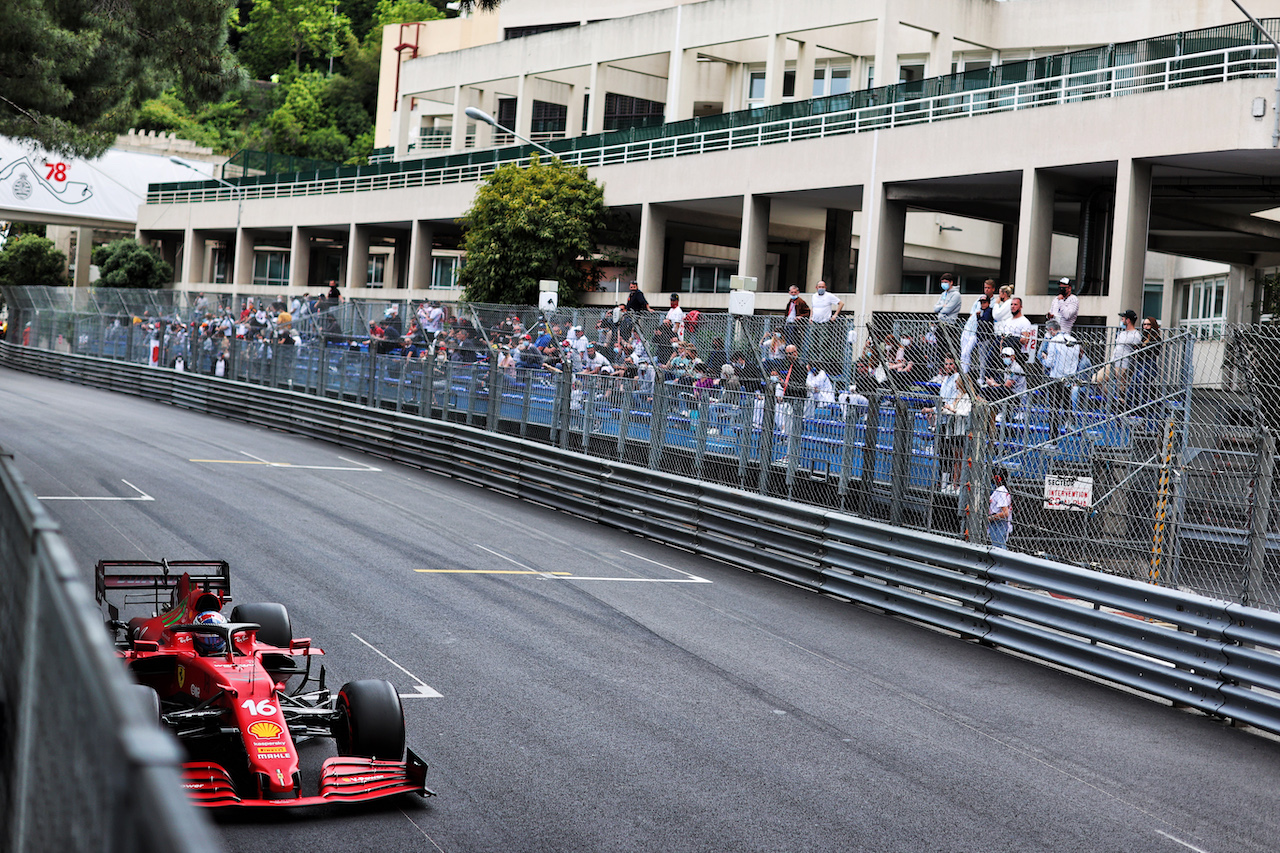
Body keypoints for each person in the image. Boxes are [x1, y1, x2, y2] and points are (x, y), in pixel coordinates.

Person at [809, 280, 844, 368]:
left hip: (824, 322)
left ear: (825, 288)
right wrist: (811, 316)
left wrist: (835, 315)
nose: (821, 289)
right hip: (815, 321)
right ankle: (813, 361)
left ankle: (821, 362)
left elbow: (841, 303)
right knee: (812, 342)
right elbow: (813, 307)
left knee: (822, 343)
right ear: (816, 288)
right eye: (819, 287)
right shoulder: (814, 296)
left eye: (823, 287)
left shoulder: (829, 296)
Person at [987, 467, 1013, 548]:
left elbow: (1005, 513)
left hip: (998, 523)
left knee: (998, 548)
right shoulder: (1001, 489)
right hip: (997, 523)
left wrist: (990, 518)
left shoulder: (1000, 491)